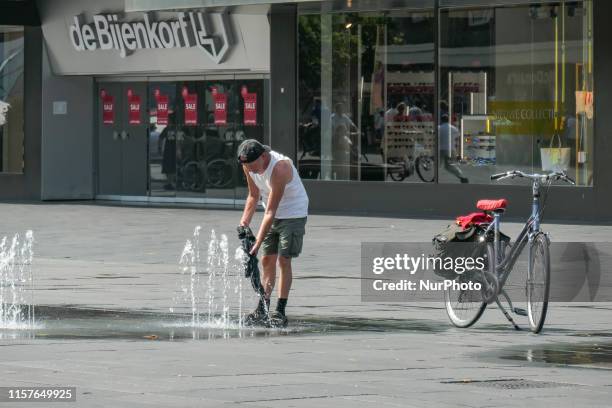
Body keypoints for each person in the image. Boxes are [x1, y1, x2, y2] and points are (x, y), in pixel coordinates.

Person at [237, 139, 309, 327]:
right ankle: (263, 307)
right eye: (246, 166)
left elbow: (270, 212)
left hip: (293, 213)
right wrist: (244, 223)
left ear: (263, 156)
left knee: (284, 260)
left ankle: (280, 311)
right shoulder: (249, 165)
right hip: (273, 213)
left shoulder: (280, 168)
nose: (250, 170)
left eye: (252, 165)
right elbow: (253, 195)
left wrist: (257, 241)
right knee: (266, 260)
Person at [439, 114, 468, 183]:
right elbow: (458, 136)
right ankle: (461, 176)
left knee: (437, 165)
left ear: (441, 120)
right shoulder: (453, 128)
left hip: (441, 149)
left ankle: (434, 177)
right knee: (449, 165)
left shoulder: (439, 128)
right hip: (451, 149)